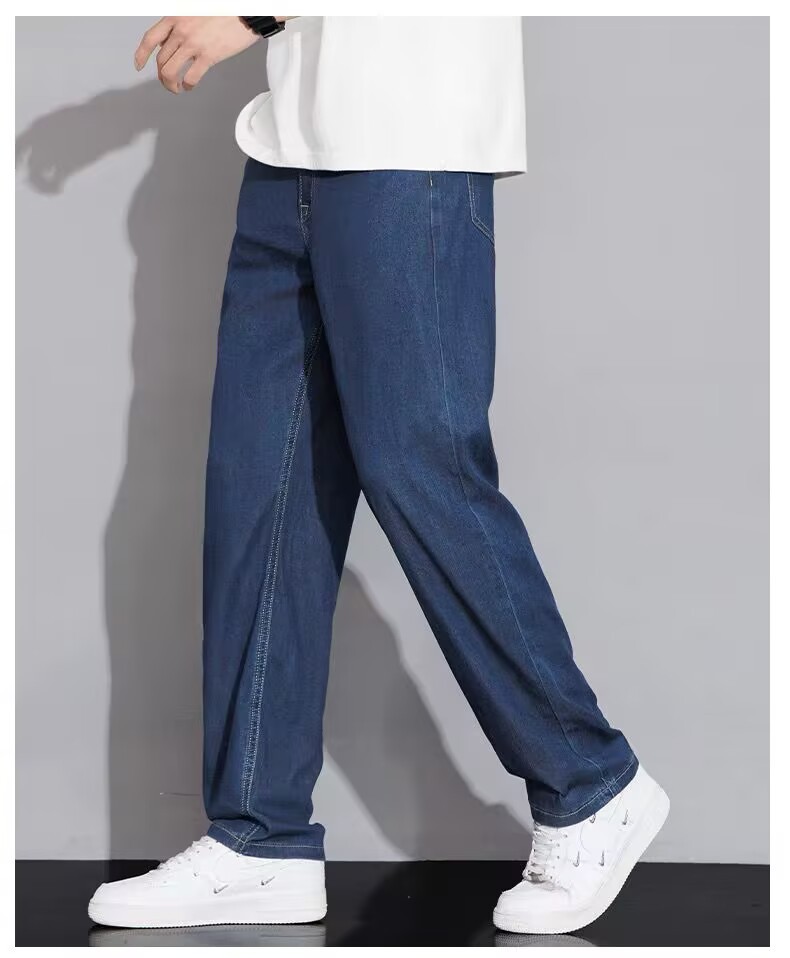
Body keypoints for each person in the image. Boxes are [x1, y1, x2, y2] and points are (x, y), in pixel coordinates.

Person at [88, 15, 669, 936]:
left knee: (421, 468)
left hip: (411, 141)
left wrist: (253, 14)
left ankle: (592, 783)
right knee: (260, 490)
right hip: (290, 148)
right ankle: (259, 837)